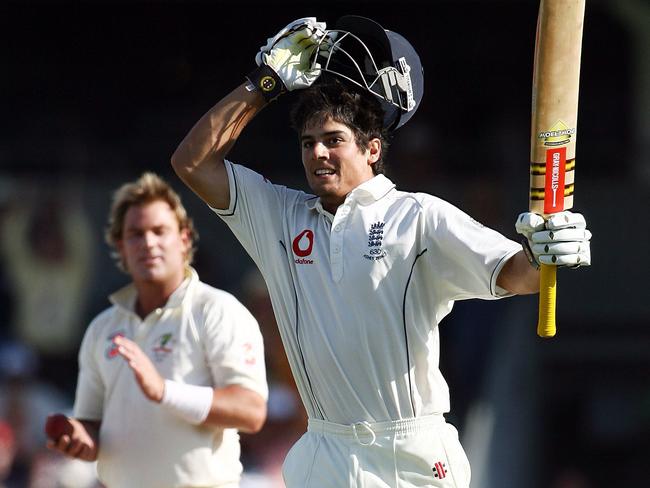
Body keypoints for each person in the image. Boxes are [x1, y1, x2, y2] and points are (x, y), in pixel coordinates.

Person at [171, 16, 592, 488]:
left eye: (334, 141)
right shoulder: (279, 216)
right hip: (324, 451)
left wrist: (544, 254)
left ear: (372, 149)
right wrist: (263, 84)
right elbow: (192, 162)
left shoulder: (419, 217)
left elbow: (515, 275)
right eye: (308, 144)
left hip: (410, 455)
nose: (317, 154)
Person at [45, 172, 268, 488]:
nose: (148, 242)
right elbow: (93, 429)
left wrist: (164, 392)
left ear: (184, 239)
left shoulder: (218, 310)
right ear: (120, 247)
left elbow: (251, 411)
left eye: (159, 231)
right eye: (135, 234)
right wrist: (76, 438)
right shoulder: (103, 328)